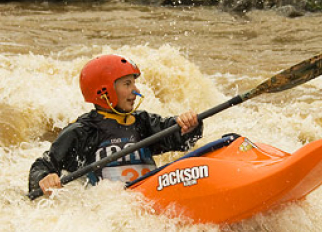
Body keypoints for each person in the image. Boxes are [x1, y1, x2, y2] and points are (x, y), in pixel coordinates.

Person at [28, 54, 202, 196]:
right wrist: (44, 178)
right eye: (127, 84)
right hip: (113, 207)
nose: (136, 91)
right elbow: (43, 165)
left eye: (134, 83)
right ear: (104, 91)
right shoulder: (82, 131)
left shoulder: (143, 122)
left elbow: (180, 140)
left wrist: (189, 124)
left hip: (151, 196)